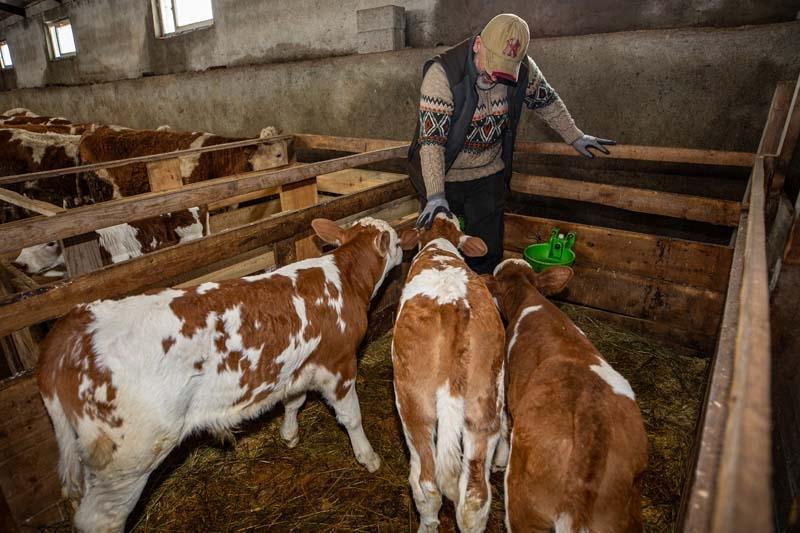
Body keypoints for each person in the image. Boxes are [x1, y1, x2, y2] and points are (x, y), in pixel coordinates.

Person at [408, 13, 614, 274]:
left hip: (487, 173)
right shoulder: (443, 74)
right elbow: (432, 142)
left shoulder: (524, 70)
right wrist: (435, 194)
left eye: (505, 69)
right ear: (477, 45)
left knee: (487, 254)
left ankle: (486, 306)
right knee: (436, 251)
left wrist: (574, 135)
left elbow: (547, 102)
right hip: (442, 172)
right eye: (492, 63)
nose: (495, 76)